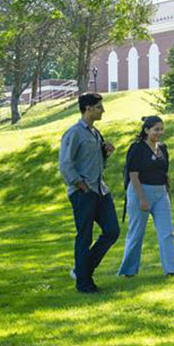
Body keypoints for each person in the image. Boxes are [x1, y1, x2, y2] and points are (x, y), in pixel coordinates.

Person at [58, 92, 120, 294]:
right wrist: (79, 184)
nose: (103, 110)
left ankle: (81, 270)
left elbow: (95, 162)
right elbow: (65, 163)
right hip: (83, 191)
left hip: (100, 190)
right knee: (84, 236)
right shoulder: (74, 133)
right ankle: (84, 284)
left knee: (112, 231)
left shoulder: (95, 132)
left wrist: (105, 153)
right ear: (88, 109)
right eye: (99, 107)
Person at [118, 116, 174, 277]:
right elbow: (133, 175)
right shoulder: (137, 148)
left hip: (161, 193)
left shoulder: (163, 148)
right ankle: (129, 271)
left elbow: (165, 174)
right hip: (140, 191)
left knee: (167, 232)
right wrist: (143, 199)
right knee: (137, 233)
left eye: (161, 129)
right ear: (146, 130)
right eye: (156, 129)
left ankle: (172, 270)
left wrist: (168, 195)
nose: (160, 132)